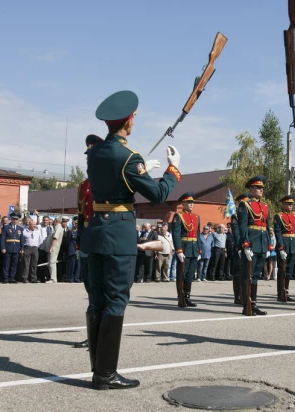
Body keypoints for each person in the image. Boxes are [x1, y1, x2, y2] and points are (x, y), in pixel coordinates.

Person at [82, 90, 180, 390]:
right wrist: (172, 170)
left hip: (96, 230)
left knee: (96, 301)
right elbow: (159, 195)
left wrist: (138, 169)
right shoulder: (128, 158)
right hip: (118, 234)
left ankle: (99, 371)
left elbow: (113, 177)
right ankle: (106, 374)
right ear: (129, 121)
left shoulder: (96, 152)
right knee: (116, 301)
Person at [72, 134, 104, 349]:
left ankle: (104, 335)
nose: (89, 158)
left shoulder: (109, 181)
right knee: (90, 288)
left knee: (103, 290)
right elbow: (81, 216)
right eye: (88, 155)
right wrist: (79, 243)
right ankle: (93, 334)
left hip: (104, 240)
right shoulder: (84, 185)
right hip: (88, 242)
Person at [237, 176, 271, 316]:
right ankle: (246, 305)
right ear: (251, 190)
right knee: (247, 275)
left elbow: (267, 227)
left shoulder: (265, 206)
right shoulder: (245, 205)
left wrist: (268, 245)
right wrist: (245, 244)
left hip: (262, 244)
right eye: (257, 188)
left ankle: (253, 304)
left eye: (262, 188)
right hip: (251, 242)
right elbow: (242, 225)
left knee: (256, 275)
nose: (261, 190)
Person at [172, 192, 201, 307]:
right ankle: (181, 297)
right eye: (189, 202)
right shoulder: (178, 216)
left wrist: (199, 250)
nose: (191, 204)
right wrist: (178, 250)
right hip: (184, 248)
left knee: (190, 275)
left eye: (192, 202)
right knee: (182, 273)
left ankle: (187, 297)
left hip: (193, 248)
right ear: (183, 203)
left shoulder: (196, 217)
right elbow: (175, 234)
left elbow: (197, 234)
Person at [274, 195, 295, 302]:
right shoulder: (278, 216)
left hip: (292, 245)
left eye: (291, 204)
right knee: (282, 270)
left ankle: (286, 291)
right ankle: (280, 293)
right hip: (283, 244)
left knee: (289, 271)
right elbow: (278, 232)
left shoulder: (294, 216)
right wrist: (280, 247)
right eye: (288, 204)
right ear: (283, 204)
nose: (290, 206)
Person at [229, 192, 249, 304]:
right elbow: (236, 233)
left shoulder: (249, 214)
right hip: (239, 247)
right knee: (238, 271)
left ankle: (245, 294)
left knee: (246, 271)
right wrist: (239, 247)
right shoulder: (235, 216)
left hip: (247, 246)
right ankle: (238, 296)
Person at [1, 212, 24, 284]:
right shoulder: (6, 227)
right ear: (11, 219)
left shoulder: (20, 228)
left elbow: (22, 239)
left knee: (14, 264)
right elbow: (3, 238)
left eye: (16, 219)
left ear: (18, 220)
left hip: (16, 249)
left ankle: (12, 278)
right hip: (8, 248)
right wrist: (3, 247)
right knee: (6, 264)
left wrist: (22, 248)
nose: (15, 221)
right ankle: (5, 278)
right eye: (13, 219)